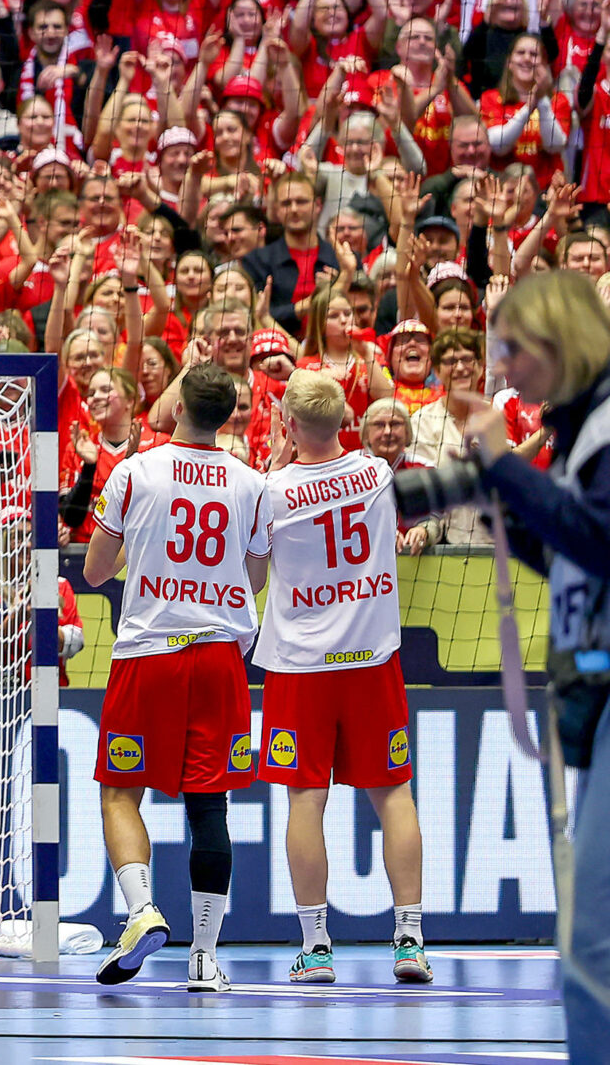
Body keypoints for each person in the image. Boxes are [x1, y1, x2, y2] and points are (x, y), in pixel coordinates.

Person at [443, 273, 610, 1057]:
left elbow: (603, 539)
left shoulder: (605, 426)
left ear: (558, 342)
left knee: (590, 941)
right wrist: (506, 504)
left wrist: (509, 469)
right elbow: (578, 556)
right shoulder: (584, 431)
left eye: (512, 348)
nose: (503, 368)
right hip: (597, 685)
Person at [81, 362, 268, 994]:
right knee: (210, 803)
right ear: (229, 413)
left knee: (119, 792)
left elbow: (97, 572)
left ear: (178, 400)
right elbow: (257, 577)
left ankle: (141, 911)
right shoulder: (251, 481)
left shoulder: (135, 471)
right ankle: (204, 960)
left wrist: (146, 544)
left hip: (149, 653)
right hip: (218, 657)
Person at [255, 371, 431, 987]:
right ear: (345, 422)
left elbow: (251, 579)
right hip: (371, 662)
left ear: (289, 425)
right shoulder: (377, 475)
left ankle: (317, 947)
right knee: (394, 796)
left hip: (302, 668)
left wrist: (276, 466)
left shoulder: (270, 491)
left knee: (307, 800)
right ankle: (409, 940)